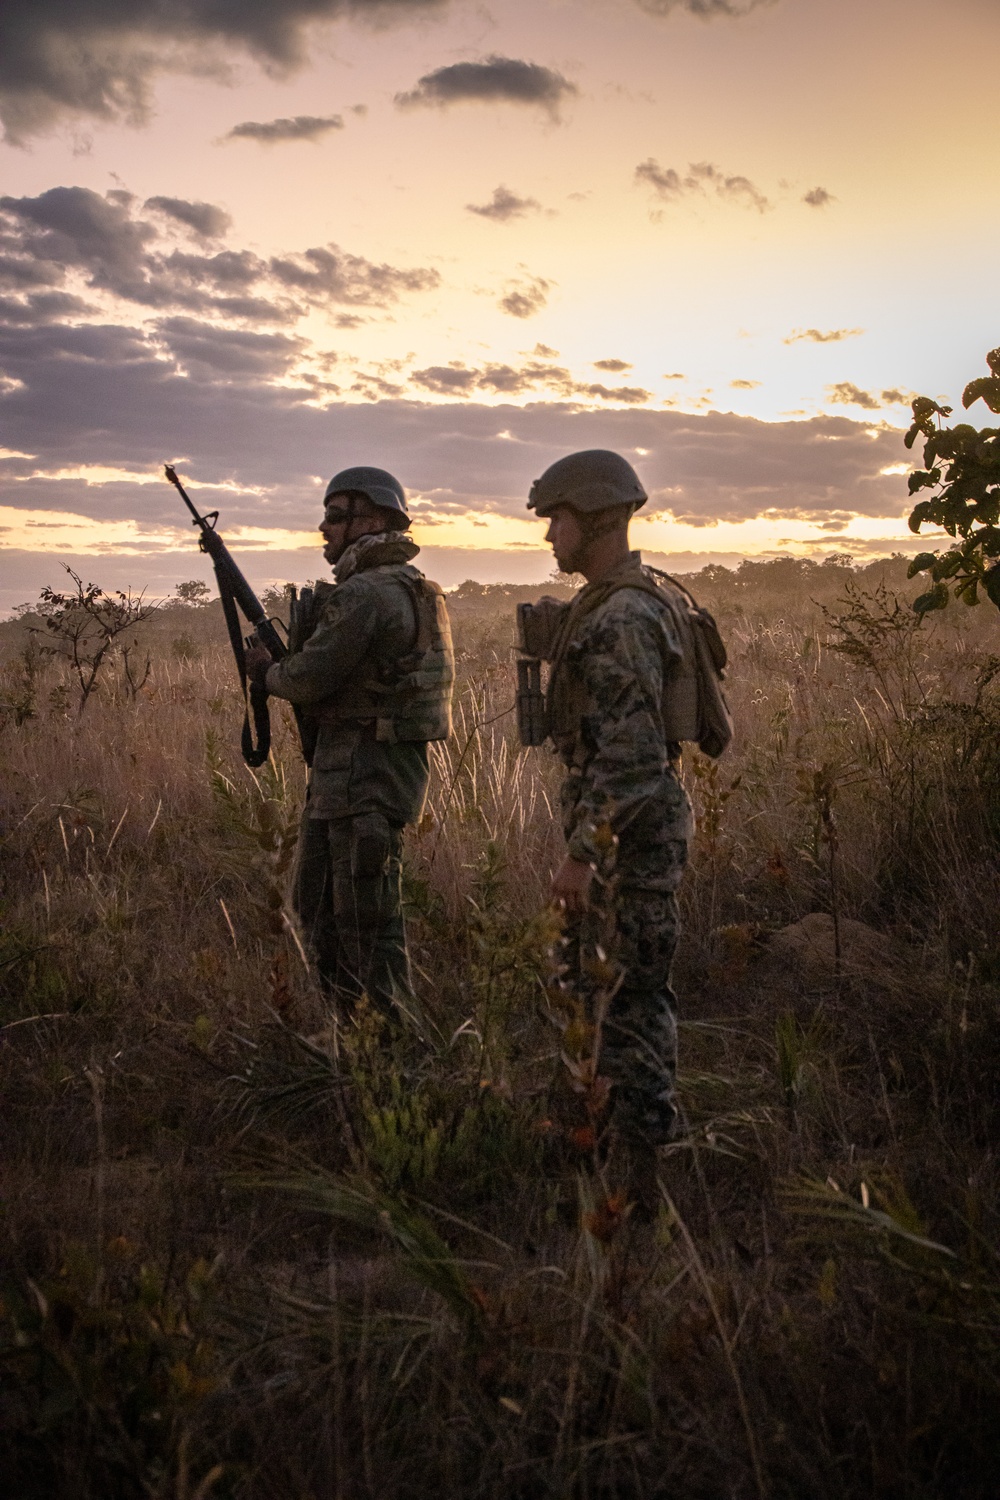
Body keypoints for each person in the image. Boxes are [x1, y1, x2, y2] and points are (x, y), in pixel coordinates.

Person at [524, 448, 698, 1203]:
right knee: (597, 991)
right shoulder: (615, 602)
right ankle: (602, 1147)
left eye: (557, 519)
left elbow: (631, 760)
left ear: (595, 518)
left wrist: (583, 855)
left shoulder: (625, 616)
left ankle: (643, 1169)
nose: (548, 536)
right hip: (620, 838)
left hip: (630, 844)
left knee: (632, 998)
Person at [246, 466, 454, 1016]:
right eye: (327, 515)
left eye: (338, 517)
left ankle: (392, 1059)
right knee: (317, 910)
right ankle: (349, 1038)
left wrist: (267, 672)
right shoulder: (407, 587)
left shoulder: (367, 593)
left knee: (367, 926)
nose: (325, 527)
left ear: (377, 519)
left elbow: (309, 678)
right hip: (351, 775)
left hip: (367, 775)